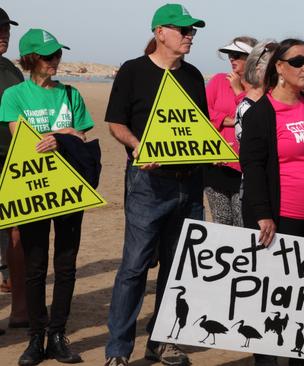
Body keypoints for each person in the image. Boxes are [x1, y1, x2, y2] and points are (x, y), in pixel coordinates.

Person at [103, 4, 206, 366]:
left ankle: (162, 342)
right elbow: (116, 123)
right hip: (147, 183)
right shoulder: (133, 71)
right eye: (183, 30)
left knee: (177, 270)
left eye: (193, 30)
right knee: (133, 267)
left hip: (190, 185)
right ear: (160, 32)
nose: (190, 35)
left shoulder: (194, 76)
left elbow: (199, 131)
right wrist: (136, 146)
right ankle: (118, 349)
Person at [0, 28, 95, 365]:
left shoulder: (70, 95)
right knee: (35, 266)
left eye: (58, 54)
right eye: (47, 55)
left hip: (70, 189)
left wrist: (65, 137)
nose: (55, 60)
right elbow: (21, 140)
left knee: (66, 265)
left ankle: (58, 334)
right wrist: (60, 133)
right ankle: (35, 337)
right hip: (34, 190)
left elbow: (82, 138)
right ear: (30, 59)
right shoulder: (14, 96)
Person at [239, 38, 304, 366]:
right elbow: (251, 168)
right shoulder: (261, 113)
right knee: (273, 297)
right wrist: (263, 214)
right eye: (297, 62)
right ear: (278, 67)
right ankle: (266, 359)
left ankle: (300, 357)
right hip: (281, 217)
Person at [204, 36, 257, 227]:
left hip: (244, 168)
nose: (232, 59)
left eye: (238, 55)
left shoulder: (259, 88)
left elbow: (254, 118)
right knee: (221, 221)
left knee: (243, 223)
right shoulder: (218, 80)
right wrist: (233, 121)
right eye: (230, 55)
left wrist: (237, 91)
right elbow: (203, 112)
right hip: (217, 163)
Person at [0, 6, 27, 337]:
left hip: (14, 161)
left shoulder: (11, 69)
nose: (4, 32)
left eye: (6, 26)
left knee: (19, 236)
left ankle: (21, 310)